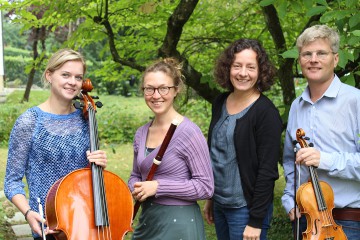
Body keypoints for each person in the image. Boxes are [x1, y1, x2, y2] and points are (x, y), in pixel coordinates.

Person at [4, 48, 107, 240]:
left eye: (78, 77)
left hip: (85, 219)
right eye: (65, 75)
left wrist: (99, 163)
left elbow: (87, 175)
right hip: (50, 225)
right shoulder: (29, 121)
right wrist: (28, 213)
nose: (73, 82)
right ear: (49, 75)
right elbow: (11, 182)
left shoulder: (86, 118)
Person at [281, 24, 360, 239]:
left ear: (335, 59)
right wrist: (289, 199)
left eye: (321, 53)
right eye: (307, 54)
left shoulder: (356, 101)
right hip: (307, 221)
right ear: (300, 60)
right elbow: (290, 161)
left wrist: (324, 159)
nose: (313, 59)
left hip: (348, 222)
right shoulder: (297, 106)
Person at [203, 38, 283, 240]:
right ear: (227, 68)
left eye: (251, 67)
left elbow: (267, 171)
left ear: (261, 71)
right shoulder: (220, 101)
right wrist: (211, 198)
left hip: (245, 209)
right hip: (220, 204)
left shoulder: (266, 113)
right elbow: (216, 154)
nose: (243, 73)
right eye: (237, 66)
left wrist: (256, 221)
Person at [128, 58, 214, 240]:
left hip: (180, 225)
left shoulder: (189, 132)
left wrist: (158, 187)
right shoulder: (141, 133)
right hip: (148, 221)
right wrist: (136, 188)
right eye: (149, 88)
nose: (156, 95)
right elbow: (136, 175)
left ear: (176, 90)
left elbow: (206, 187)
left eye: (163, 88)